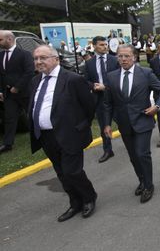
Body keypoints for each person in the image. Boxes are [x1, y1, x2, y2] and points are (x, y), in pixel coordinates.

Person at [29, 45, 97, 222]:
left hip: (70, 135)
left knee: (72, 171)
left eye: (43, 58)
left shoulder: (72, 79)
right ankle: (75, 203)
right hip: (46, 136)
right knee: (61, 173)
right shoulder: (35, 81)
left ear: (56, 59)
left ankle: (89, 198)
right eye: (36, 59)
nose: (38, 62)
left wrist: (81, 127)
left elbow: (89, 106)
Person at [104, 44, 160, 204]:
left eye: (126, 56)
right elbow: (108, 103)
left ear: (134, 57)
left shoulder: (145, 73)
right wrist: (107, 124)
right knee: (133, 156)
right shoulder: (111, 77)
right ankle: (142, 180)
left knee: (142, 154)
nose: (123, 59)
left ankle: (149, 185)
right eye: (120, 56)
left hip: (143, 120)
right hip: (124, 123)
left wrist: (157, 106)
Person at [83, 36, 120, 163]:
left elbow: (119, 78)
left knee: (123, 121)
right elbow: (86, 80)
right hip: (100, 99)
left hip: (115, 97)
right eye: (102, 45)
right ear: (94, 46)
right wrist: (93, 86)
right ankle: (108, 150)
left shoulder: (114, 60)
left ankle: (133, 143)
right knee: (104, 125)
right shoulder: (89, 63)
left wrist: (106, 87)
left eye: (106, 44)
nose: (105, 47)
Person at [0, 30, 35, 153]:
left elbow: (29, 72)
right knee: (9, 118)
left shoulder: (24, 54)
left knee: (32, 114)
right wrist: (1, 91)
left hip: (25, 92)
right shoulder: (1, 55)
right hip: (9, 94)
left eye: (0, 40)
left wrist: (18, 87)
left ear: (9, 39)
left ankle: (39, 136)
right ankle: (8, 144)